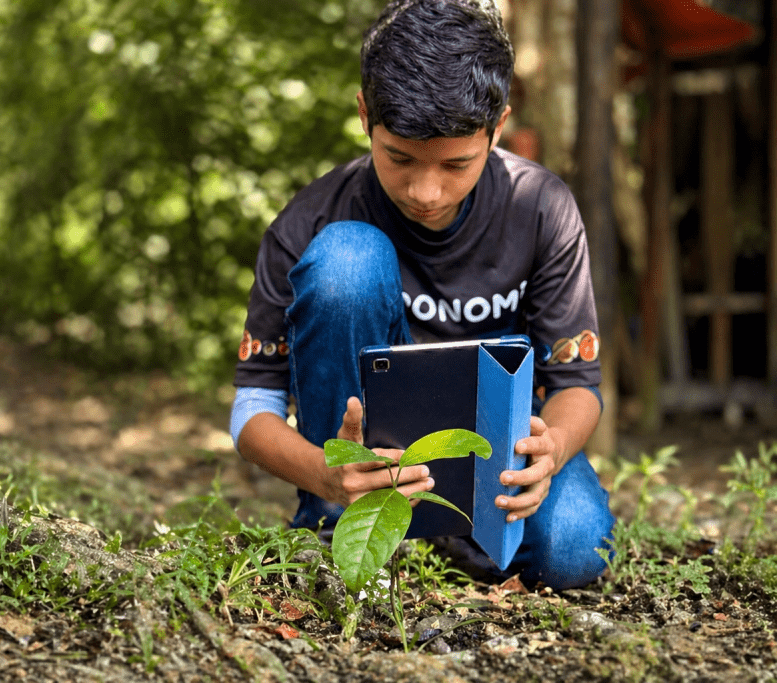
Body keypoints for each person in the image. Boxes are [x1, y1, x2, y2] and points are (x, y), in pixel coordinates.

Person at [229, 0, 614, 590]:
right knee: (347, 261)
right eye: (399, 158)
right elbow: (252, 409)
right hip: (360, 469)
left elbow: (577, 385)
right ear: (365, 116)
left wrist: (553, 448)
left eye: (456, 164)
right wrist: (324, 474)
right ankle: (337, 525)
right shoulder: (310, 221)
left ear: (498, 126)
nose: (427, 191)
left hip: (496, 462)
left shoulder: (539, 208)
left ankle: (461, 537)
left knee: (577, 550)